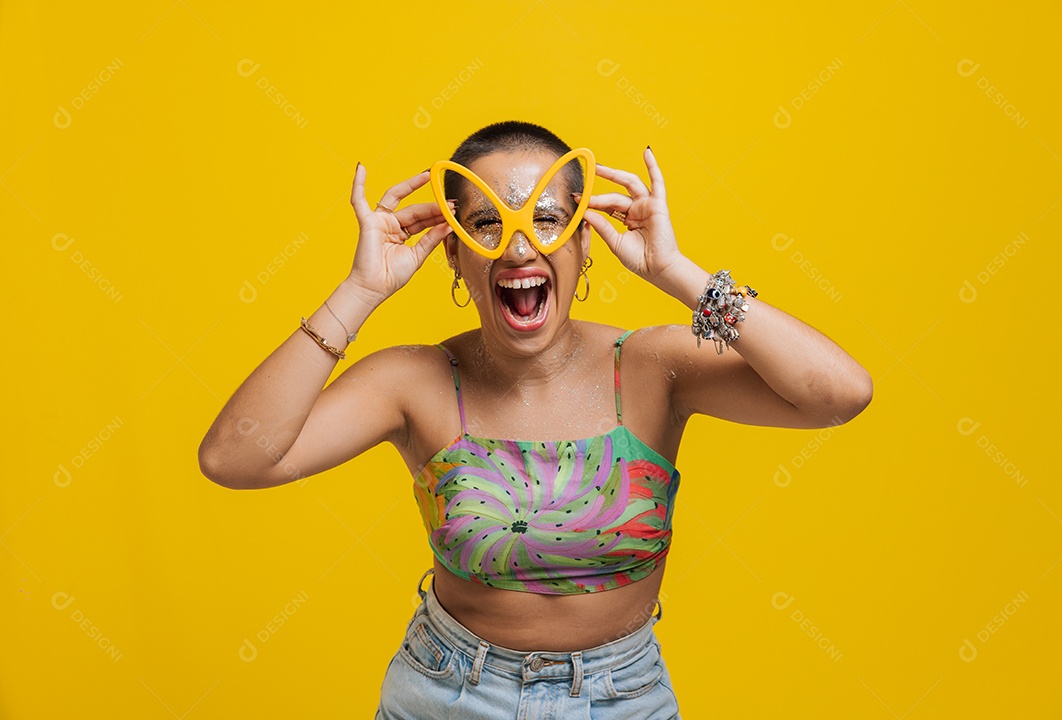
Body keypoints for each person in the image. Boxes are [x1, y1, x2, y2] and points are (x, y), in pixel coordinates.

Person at [198, 120, 873, 718]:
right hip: (448, 695)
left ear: (584, 244)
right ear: (454, 252)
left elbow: (838, 394)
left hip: (624, 698)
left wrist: (678, 273)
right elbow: (235, 458)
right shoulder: (414, 381)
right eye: (487, 222)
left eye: (547, 219)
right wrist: (360, 291)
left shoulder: (651, 366)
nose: (518, 246)